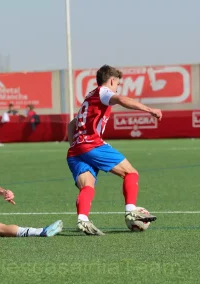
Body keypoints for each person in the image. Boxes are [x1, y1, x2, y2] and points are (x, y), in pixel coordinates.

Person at [66, 64, 162, 236]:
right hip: (92, 145)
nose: (117, 88)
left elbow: (71, 124)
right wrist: (149, 110)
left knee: (87, 186)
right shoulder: (103, 92)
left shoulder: (89, 97)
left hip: (75, 150)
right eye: (117, 84)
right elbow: (122, 100)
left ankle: (83, 220)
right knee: (130, 173)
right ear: (111, 80)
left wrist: (76, 144)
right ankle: (131, 210)